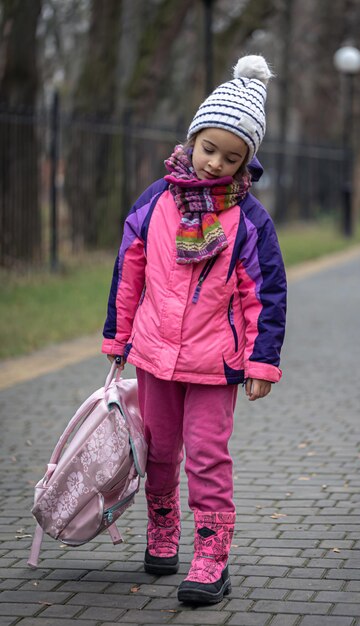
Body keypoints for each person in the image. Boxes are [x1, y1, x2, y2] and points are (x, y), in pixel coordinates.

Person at [102, 54, 287, 605]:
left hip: (214, 363)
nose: (215, 164)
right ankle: (163, 531)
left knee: (207, 455)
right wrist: (118, 336)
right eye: (209, 148)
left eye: (232, 158)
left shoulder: (251, 222)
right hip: (154, 354)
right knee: (158, 451)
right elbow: (128, 270)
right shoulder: (155, 202)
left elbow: (267, 295)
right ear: (192, 140)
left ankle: (212, 554)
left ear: (246, 163)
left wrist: (261, 361)